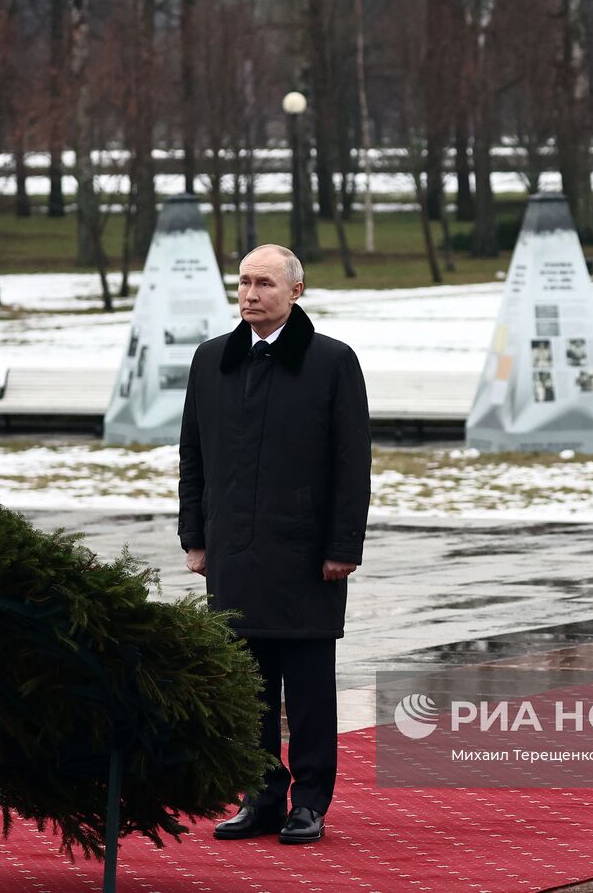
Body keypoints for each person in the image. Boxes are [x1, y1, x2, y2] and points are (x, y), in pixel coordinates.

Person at [178, 243, 371, 845]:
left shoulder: (331, 361)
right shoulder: (212, 360)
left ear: (296, 290)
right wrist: (195, 537)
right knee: (247, 689)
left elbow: (351, 463)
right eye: (243, 282)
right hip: (232, 554)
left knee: (309, 692)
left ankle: (309, 802)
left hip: (307, 558)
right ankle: (259, 797)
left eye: (264, 283)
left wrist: (343, 546)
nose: (250, 293)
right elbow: (194, 456)